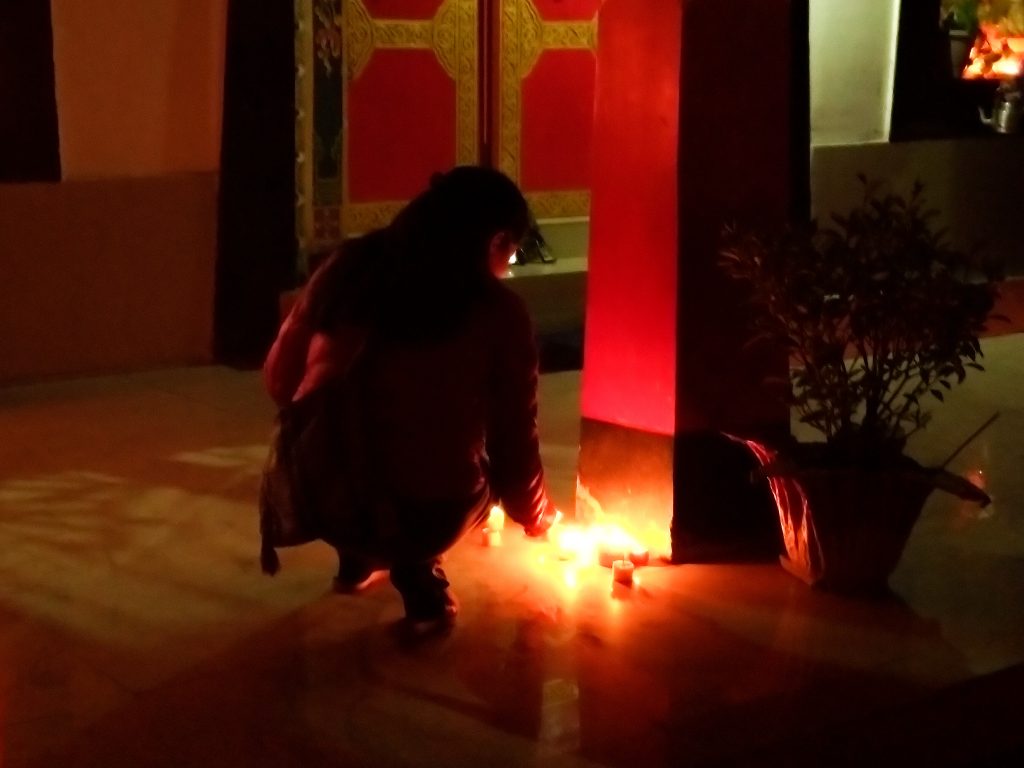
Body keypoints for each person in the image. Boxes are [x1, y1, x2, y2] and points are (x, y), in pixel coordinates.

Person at [263, 166, 558, 632]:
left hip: (318, 499)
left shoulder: (345, 268)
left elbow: (280, 382)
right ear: (495, 240)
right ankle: (417, 568)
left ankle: (357, 555)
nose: (507, 267)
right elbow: (514, 445)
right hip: (426, 514)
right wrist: (538, 516)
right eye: (512, 254)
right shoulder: (496, 310)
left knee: (355, 441)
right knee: (482, 481)